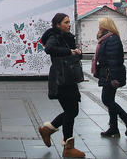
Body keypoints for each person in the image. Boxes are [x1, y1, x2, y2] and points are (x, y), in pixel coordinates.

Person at [37, 13, 85, 158]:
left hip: (69, 78)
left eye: (69, 22)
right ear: (58, 25)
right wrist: (69, 51)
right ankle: (68, 147)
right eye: (65, 22)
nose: (69, 25)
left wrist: (77, 52)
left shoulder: (67, 37)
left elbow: (72, 55)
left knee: (73, 111)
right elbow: (49, 49)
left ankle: (48, 129)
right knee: (71, 111)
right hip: (61, 79)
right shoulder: (54, 36)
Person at [92, 17, 127, 138]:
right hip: (108, 74)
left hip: (110, 75)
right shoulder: (107, 38)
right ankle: (114, 128)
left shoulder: (111, 39)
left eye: (100, 25)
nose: (99, 27)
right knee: (110, 100)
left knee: (106, 100)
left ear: (106, 26)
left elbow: (114, 60)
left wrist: (113, 78)